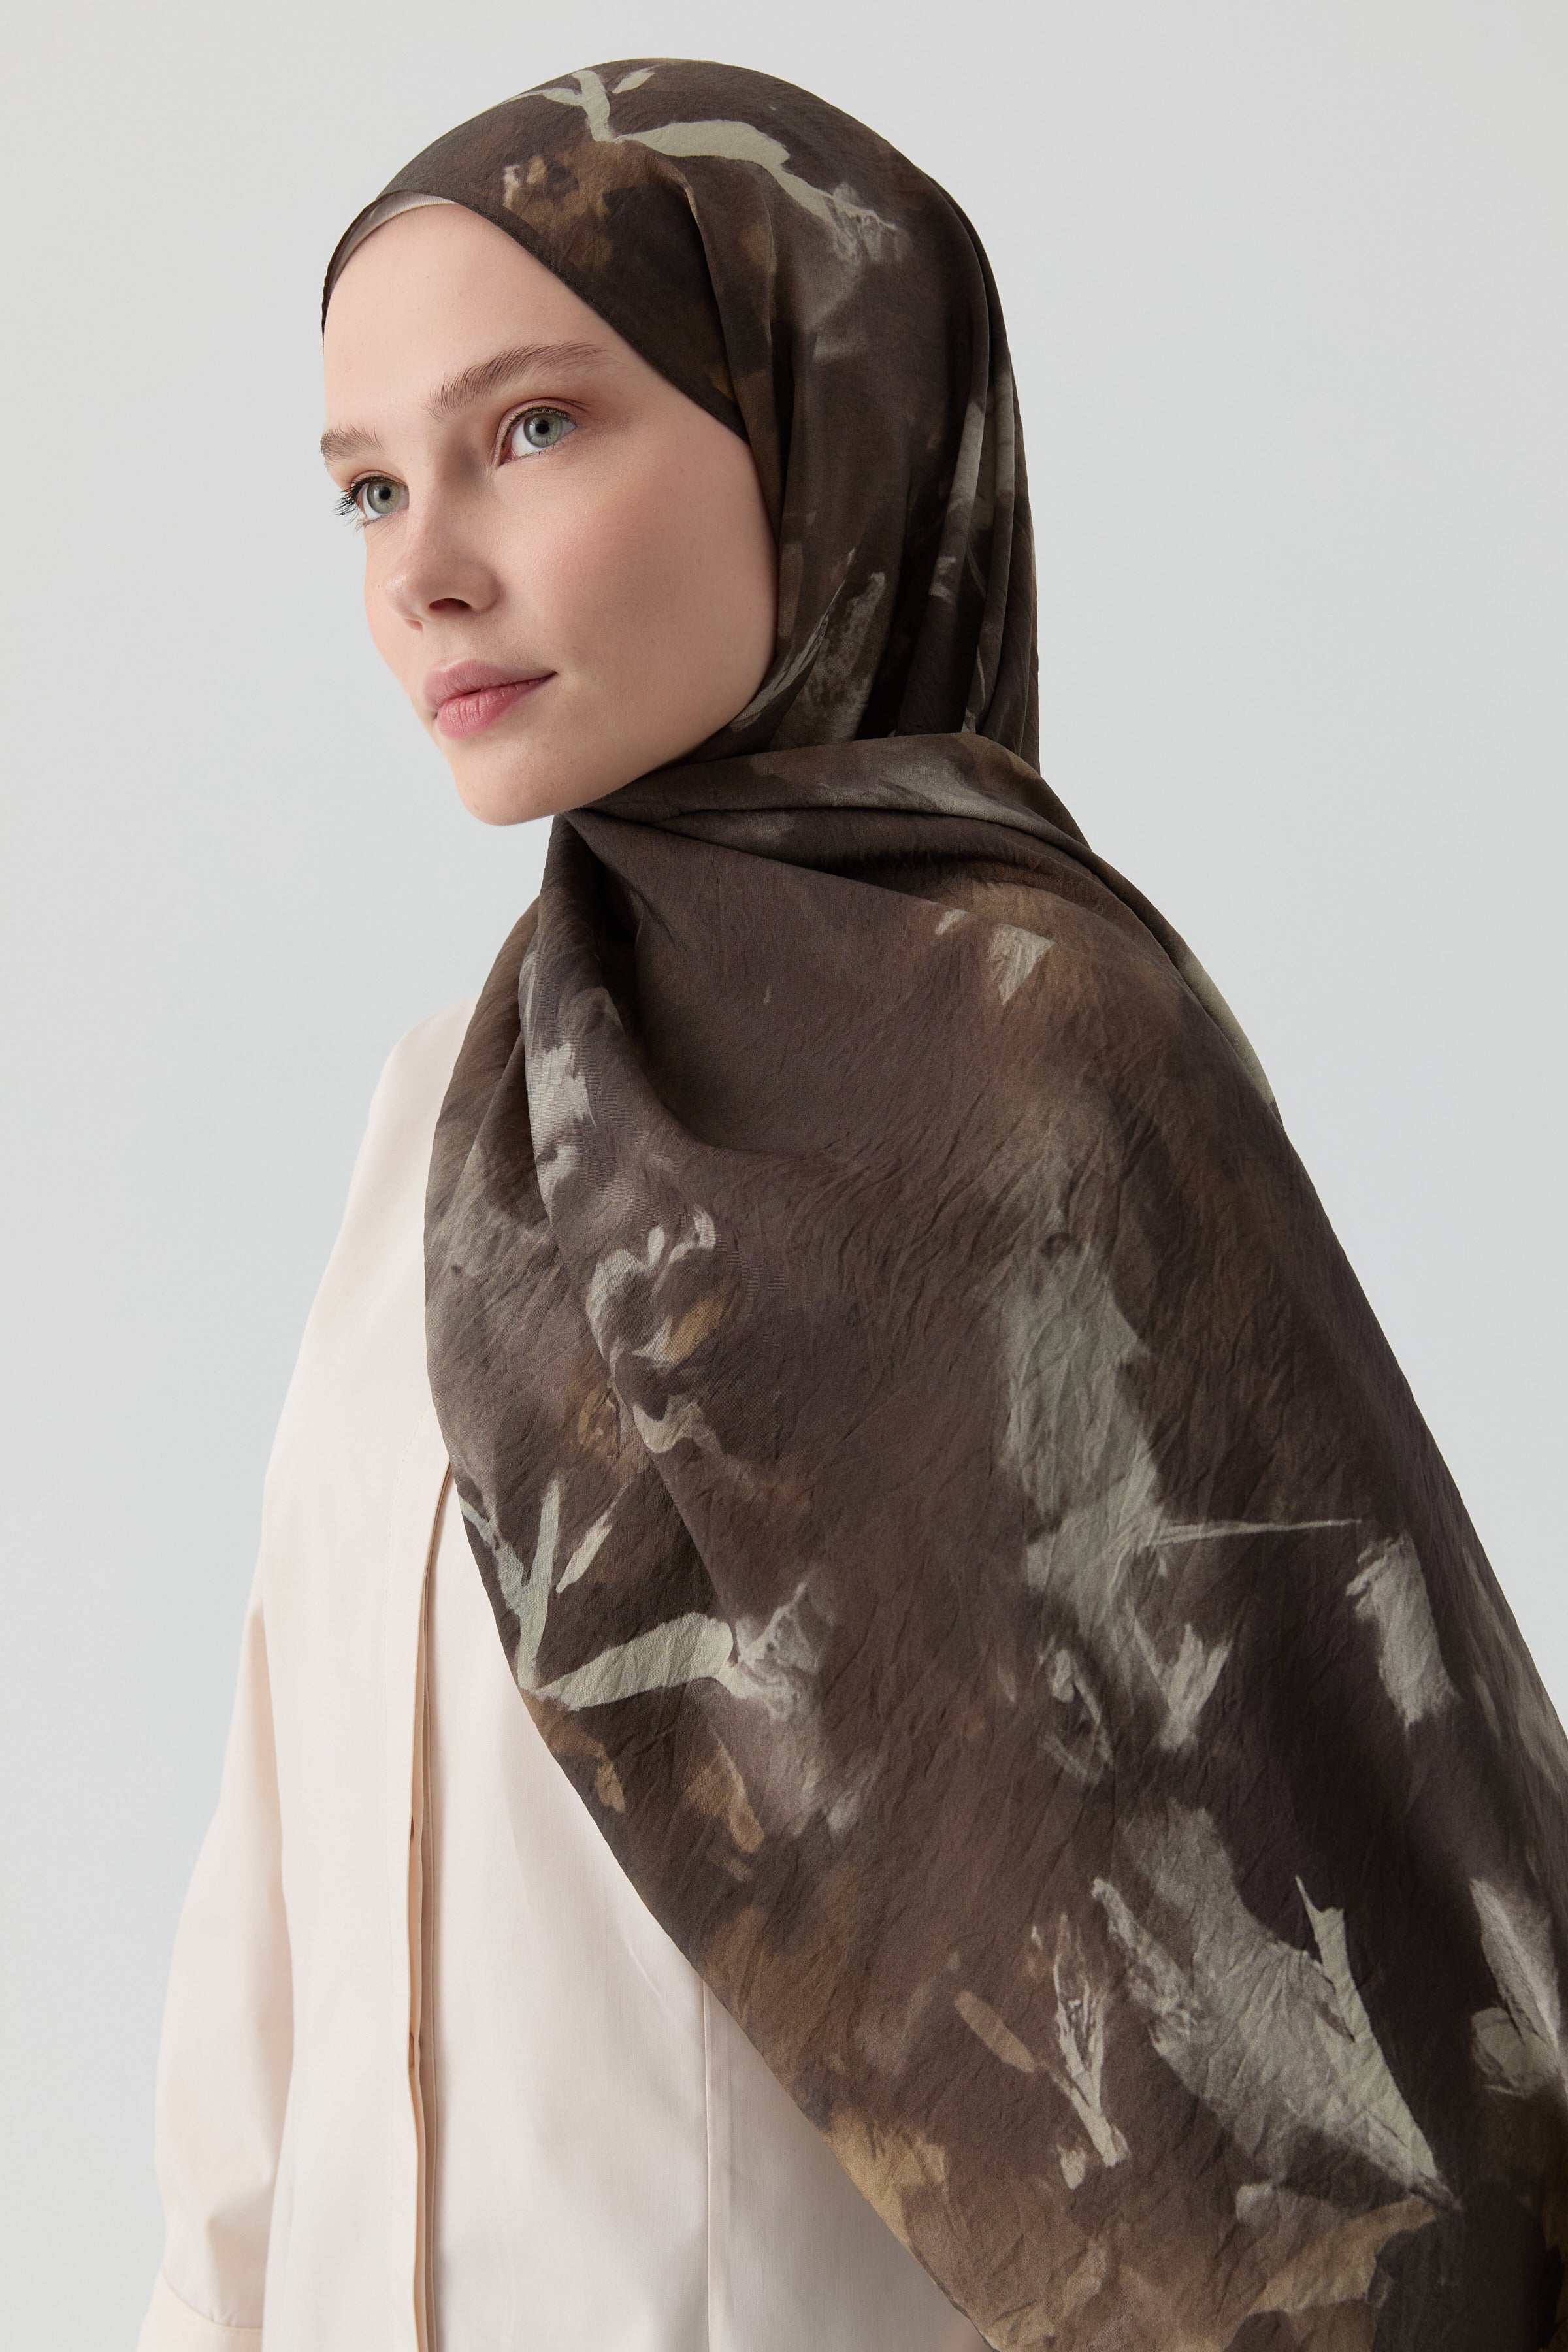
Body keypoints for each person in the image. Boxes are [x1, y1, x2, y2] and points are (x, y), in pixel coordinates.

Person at [136, 58, 1567, 2352]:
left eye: (532, 429)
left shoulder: (1048, 1075)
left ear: (828, 429)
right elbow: (269, 1950)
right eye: (368, 487)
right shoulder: (444, 1120)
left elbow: (1325, 2041)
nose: (422, 570)